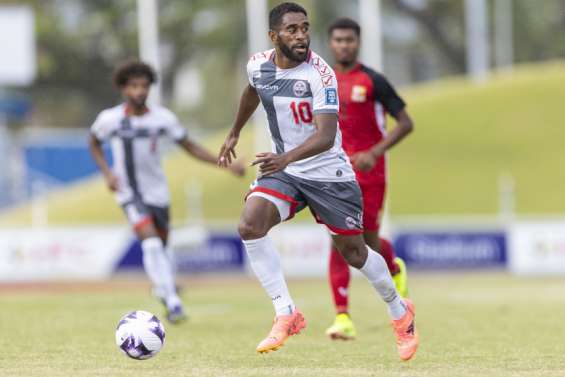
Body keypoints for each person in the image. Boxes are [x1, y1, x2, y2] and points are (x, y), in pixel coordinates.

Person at [218, 2, 418, 360]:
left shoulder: (320, 74)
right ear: (273, 36)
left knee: (355, 253)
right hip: (287, 171)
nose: (301, 36)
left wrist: (284, 157)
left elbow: (326, 136)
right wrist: (234, 132)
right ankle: (286, 312)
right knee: (250, 225)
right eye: (292, 29)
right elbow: (253, 90)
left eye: (305, 28)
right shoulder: (257, 65)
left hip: (329, 173)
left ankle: (400, 313)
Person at [89, 61, 244, 324]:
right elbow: (93, 142)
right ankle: (173, 302)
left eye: (144, 86)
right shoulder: (110, 119)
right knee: (149, 242)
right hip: (129, 193)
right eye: (134, 86)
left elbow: (190, 146)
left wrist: (226, 166)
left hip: (158, 193)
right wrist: (107, 173)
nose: (139, 91)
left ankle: (162, 287)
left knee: (160, 246)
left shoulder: (162, 119)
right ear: (123, 88)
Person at [325, 18, 415, 341]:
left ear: (357, 43)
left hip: (370, 173)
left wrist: (375, 152)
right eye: (338, 40)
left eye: (349, 40)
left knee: (368, 242)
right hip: (334, 173)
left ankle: (393, 269)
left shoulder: (374, 81)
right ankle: (342, 317)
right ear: (331, 43)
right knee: (338, 239)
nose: (344, 45)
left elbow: (406, 123)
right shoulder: (324, 81)